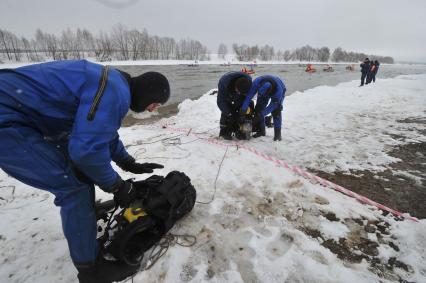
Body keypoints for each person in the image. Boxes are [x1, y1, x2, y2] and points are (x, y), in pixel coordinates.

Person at [0, 60, 170, 283]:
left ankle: (85, 215)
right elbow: (86, 152)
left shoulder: (114, 83)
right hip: (8, 119)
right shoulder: (115, 91)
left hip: (23, 113)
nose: (153, 110)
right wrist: (118, 186)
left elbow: (100, 131)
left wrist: (127, 162)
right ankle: (92, 270)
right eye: (155, 104)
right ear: (148, 94)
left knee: (79, 172)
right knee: (73, 187)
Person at [241, 75, 286, 141]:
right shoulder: (256, 83)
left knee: (276, 111)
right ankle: (261, 131)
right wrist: (243, 109)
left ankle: (277, 134)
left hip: (279, 90)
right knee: (258, 108)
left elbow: (273, 106)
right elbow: (248, 97)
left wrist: (261, 115)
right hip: (263, 93)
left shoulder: (278, 91)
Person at [217, 71, 252, 140]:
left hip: (242, 97)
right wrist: (230, 113)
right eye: (238, 91)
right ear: (235, 87)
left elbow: (248, 99)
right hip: (228, 94)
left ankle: (246, 131)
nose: (239, 93)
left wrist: (243, 111)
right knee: (227, 111)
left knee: (248, 109)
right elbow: (220, 102)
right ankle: (224, 131)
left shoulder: (248, 82)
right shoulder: (223, 83)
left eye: (241, 92)